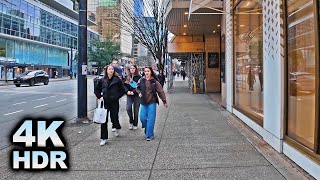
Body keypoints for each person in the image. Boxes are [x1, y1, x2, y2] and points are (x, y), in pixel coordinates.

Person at [94, 65, 126, 146]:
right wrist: (99, 96)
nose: (111, 70)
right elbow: (97, 90)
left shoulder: (117, 80)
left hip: (114, 102)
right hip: (105, 102)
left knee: (114, 118)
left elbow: (122, 90)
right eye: (109, 69)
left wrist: (117, 96)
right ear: (106, 70)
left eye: (112, 69)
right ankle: (103, 138)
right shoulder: (102, 80)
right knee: (103, 120)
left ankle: (117, 127)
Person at [136, 67, 168, 141]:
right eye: (145, 71)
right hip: (143, 102)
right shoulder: (141, 80)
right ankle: (148, 128)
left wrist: (164, 101)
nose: (146, 73)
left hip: (152, 102)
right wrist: (139, 93)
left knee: (151, 119)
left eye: (148, 71)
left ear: (151, 72)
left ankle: (149, 135)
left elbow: (160, 92)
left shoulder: (155, 81)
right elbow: (137, 88)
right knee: (142, 118)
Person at [124, 65, 141, 130]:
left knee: (136, 110)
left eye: (133, 68)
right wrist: (127, 91)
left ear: (136, 69)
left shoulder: (139, 77)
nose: (132, 69)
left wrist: (134, 92)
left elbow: (139, 87)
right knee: (128, 108)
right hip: (129, 95)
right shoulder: (127, 77)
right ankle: (131, 121)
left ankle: (135, 123)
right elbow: (124, 86)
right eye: (131, 68)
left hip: (136, 95)